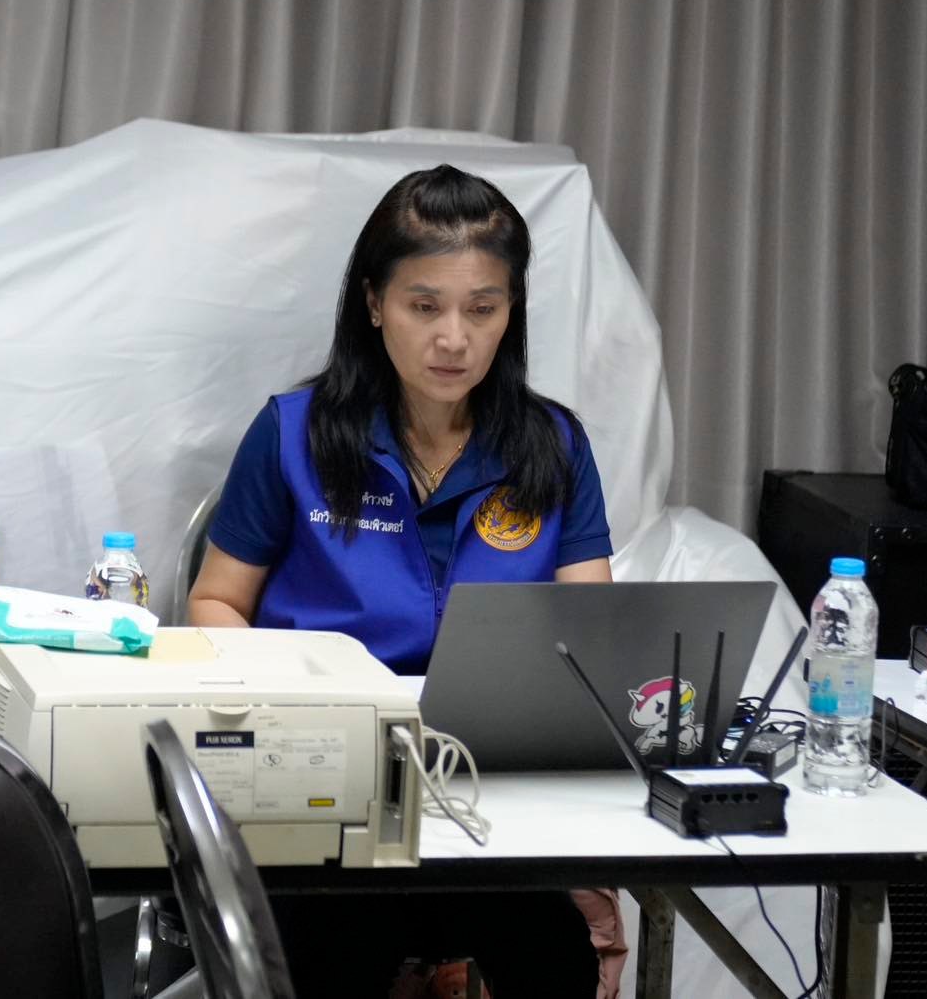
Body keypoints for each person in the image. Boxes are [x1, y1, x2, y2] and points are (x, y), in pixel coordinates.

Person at [188, 165, 614, 998]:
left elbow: (591, 635)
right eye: (425, 306)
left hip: (493, 800)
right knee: (329, 958)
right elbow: (214, 600)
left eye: (481, 309)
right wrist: (294, 703)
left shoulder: (553, 446)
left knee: (555, 961)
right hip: (326, 793)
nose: (453, 338)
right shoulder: (292, 435)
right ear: (374, 303)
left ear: (511, 311)